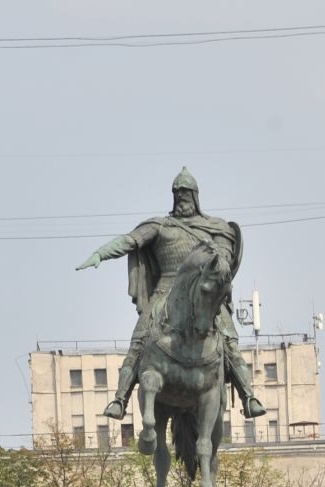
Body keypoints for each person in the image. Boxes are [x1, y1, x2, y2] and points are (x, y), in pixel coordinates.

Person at [78, 167, 269, 428]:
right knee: (139, 342)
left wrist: (216, 262)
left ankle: (248, 396)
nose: (182, 198)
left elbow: (224, 260)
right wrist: (101, 253)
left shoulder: (216, 228)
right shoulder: (160, 226)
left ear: (196, 195)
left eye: (186, 193)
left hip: (203, 295)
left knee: (229, 341)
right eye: (177, 193)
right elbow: (130, 241)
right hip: (164, 292)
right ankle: (120, 399)